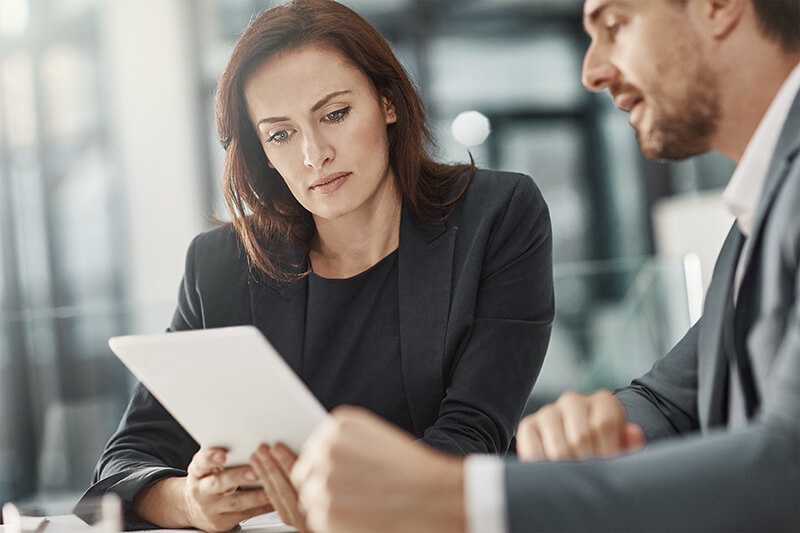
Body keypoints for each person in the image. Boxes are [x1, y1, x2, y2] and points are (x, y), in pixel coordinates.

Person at [290, 0, 800, 531]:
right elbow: (670, 402)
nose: (593, 71)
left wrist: (460, 496)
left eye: (615, 26)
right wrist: (596, 423)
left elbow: (790, 469)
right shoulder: (762, 208)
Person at [75, 0, 554, 531]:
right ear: (261, 151)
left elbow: (474, 435)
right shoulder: (221, 265)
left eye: (334, 114)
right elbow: (122, 465)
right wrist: (190, 501)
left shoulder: (499, 216)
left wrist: (338, 504)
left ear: (388, 102)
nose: (314, 154)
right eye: (281, 134)